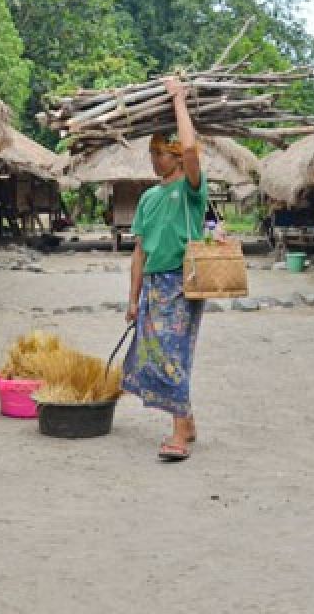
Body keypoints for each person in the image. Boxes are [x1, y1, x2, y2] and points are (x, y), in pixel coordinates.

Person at [122, 75, 206, 461]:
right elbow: (139, 252)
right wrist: (133, 299)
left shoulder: (190, 190)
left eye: (160, 154)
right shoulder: (148, 198)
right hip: (155, 285)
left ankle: (177, 435)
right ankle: (185, 419)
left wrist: (178, 100)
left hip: (182, 282)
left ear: (174, 156)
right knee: (154, 352)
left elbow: (192, 147)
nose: (154, 160)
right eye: (152, 154)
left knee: (172, 353)